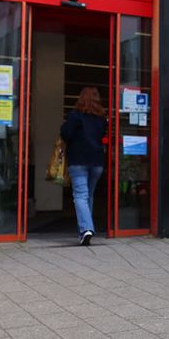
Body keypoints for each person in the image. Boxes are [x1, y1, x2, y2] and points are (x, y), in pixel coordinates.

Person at [59, 86, 108, 246]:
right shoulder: (101, 118)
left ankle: (86, 229)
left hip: (79, 160)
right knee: (88, 195)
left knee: (80, 196)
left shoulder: (75, 115)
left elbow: (66, 134)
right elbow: (103, 136)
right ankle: (86, 229)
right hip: (97, 161)